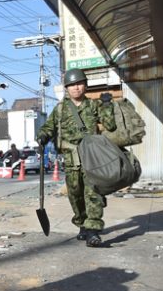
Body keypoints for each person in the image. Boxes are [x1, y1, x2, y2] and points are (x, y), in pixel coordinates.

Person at [37, 68, 117, 247]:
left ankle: (93, 231)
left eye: (79, 83)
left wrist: (107, 105)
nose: (76, 88)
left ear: (86, 85)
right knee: (75, 195)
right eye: (72, 84)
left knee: (93, 194)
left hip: (92, 158)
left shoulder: (94, 105)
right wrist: (42, 136)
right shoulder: (60, 109)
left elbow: (110, 125)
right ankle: (82, 223)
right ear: (67, 88)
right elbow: (48, 128)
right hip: (72, 159)